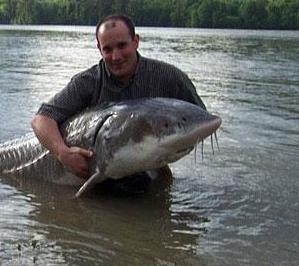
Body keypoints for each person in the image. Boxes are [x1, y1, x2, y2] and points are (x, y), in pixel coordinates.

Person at [31, 14, 206, 182]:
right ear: (99, 49)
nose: (116, 56)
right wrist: (63, 153)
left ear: (136, 41)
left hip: (146, 165)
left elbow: (201, 121)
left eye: (122, 45)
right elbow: (42, 119)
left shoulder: (169, 77)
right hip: (98, 169)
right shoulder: (87, 82)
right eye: (107, 49)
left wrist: (163, 154)